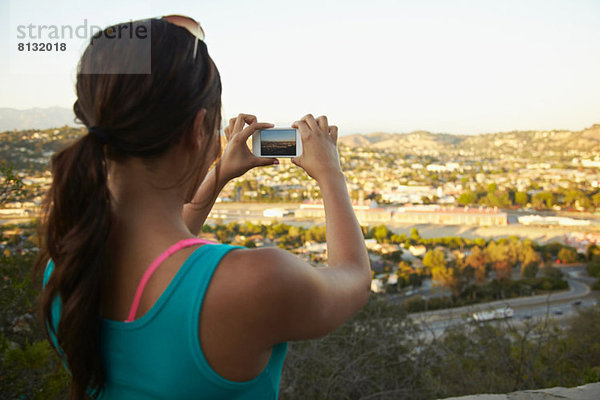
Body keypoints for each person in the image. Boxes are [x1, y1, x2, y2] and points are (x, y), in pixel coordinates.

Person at [35, 15, 371, 399]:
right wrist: (331, 174)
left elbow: (168, 261)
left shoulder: (66, 265)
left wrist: (217, 175)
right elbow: (354, 279)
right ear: (197, 130)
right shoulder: (254, 280)